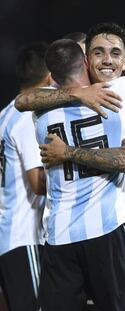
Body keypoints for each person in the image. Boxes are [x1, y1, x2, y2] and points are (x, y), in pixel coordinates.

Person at [16, 22, 125, 311]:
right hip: (106, 230)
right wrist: (80, 92)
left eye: (114, 54)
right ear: (85, 59)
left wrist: (68, 152)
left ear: (124, 60)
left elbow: (23, 100)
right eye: (98, 53)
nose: (106, 60)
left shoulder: (45, 108)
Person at [0, 42, 49, 311]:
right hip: (25, 236)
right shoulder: (26, 118)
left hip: (8, 235)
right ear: (50, 77)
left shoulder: (4, 116)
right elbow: (37, 183)